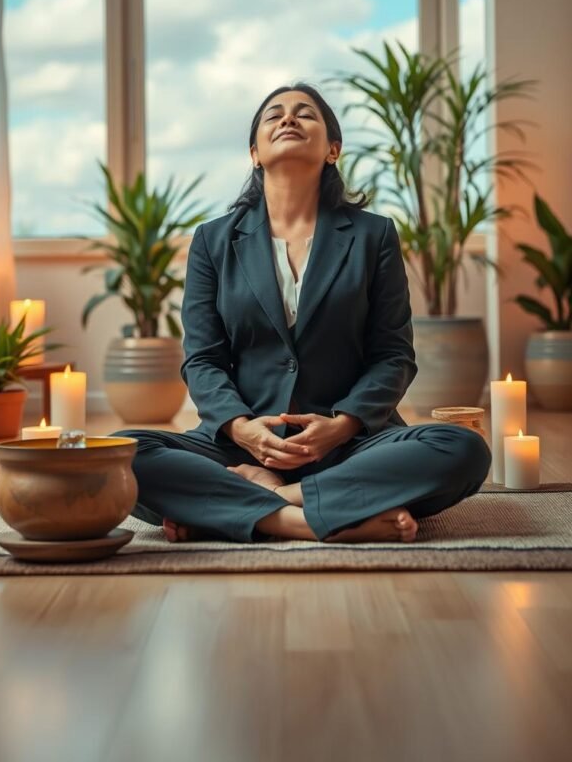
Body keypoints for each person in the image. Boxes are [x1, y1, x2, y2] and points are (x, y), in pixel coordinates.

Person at [113, 82, 492, 544]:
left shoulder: (374, 236)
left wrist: (341, 426)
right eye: (274, 115)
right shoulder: (212, 241)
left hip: (351, 447)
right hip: (242, 447)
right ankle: (304, 519)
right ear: (254, 153)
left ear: (333, 149)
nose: (288, 119)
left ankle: (265, 501)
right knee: (120, 452)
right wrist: (244, 431)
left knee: (464, 448)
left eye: (304, 114)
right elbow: (203, 360)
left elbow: (393, 355)